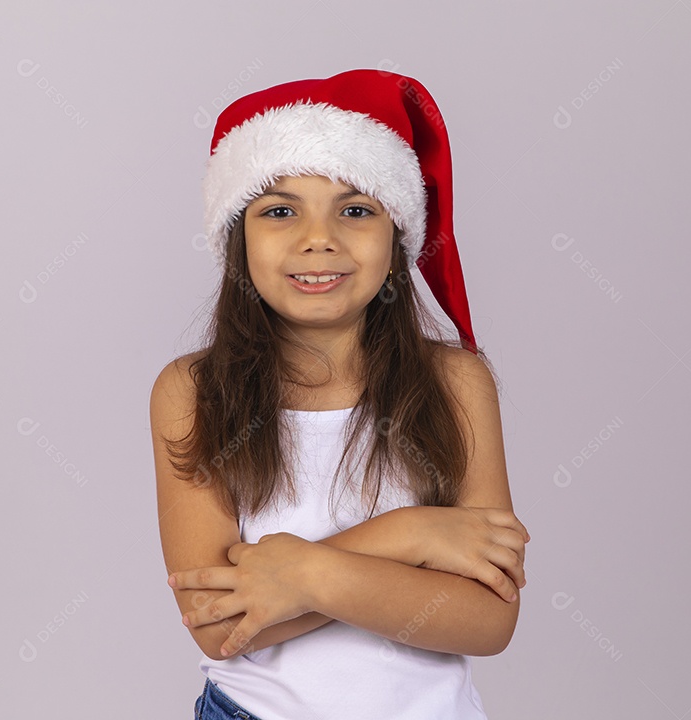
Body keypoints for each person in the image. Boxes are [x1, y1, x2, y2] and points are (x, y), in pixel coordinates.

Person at [150, 68, 531, 720]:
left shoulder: (456, 383)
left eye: (356, 209)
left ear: (397, 236)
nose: (318, 238)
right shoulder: (193, 391)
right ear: (238, 240)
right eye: (279, 211)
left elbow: (488, 621)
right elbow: (219, 622)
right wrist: (408, 536)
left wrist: (298, 576)